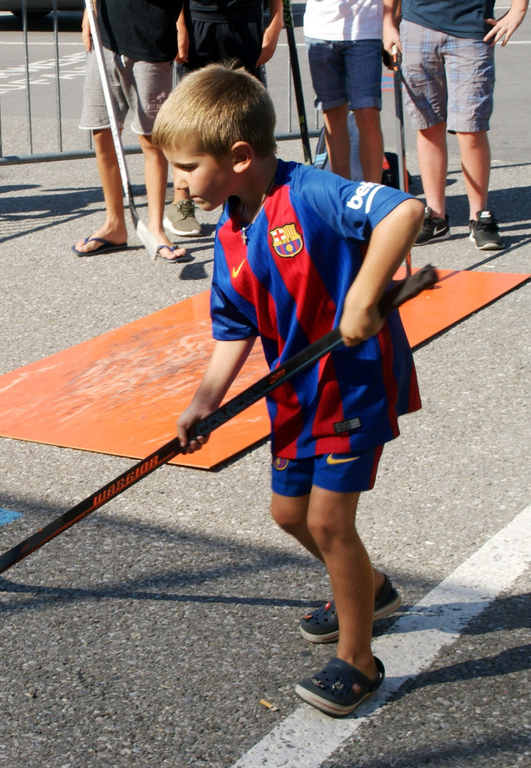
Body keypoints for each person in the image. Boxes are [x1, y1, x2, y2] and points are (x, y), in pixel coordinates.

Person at [152, 64, 424, 716]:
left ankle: (358, 660)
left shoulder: (311, 194)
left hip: (351, 388)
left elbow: (403, 210)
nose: (177, 183)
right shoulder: (230, 231)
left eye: (187, 168)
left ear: (239, 156)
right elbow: (234, 326)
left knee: (331, 523)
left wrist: (362, 296)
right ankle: (369, 586)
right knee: (289, 516)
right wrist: (204, 400)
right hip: (296, 397)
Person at [383, 0, 528, 250]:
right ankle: (436, 216)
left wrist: (518, 10)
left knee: (471, 127)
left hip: (470, 30)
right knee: (428, 125)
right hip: (417, 25)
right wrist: (387, 23)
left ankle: (479, 216)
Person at [72, 0, 192, 263]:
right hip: (105, 35)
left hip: (151, 39)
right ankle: (114, 224)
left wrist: (181, 22)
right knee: (102, 131)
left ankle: (156, 229)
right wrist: (87, 11)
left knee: (152, 140)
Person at [164, 0, 285, 239]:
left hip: (246, 22)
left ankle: (243, 205)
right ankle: (182, 200)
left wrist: (276, 21)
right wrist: (179, 25)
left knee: (245, 119)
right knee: (190, 119)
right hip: (198, 19)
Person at [303, 0, 386, 184]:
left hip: (366, 27)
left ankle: (373, 195)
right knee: (333, 115)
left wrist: (391, 22)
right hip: (320, 29)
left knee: (367, 112)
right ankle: (343, 194)